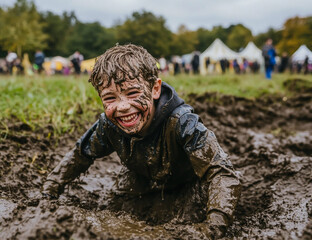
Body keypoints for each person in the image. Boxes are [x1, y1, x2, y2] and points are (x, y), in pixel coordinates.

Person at [42, 44, 241, 239]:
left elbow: (220, 171)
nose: (123, 107)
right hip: (140, 178)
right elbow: (81, 154)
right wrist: (49, 191)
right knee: (116, 207)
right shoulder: (108, 125)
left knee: (195, 207)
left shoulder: (182, 123)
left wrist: (214, 226)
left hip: (187, 183)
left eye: (132, 93)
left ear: (155, 89)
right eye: (110, 98)